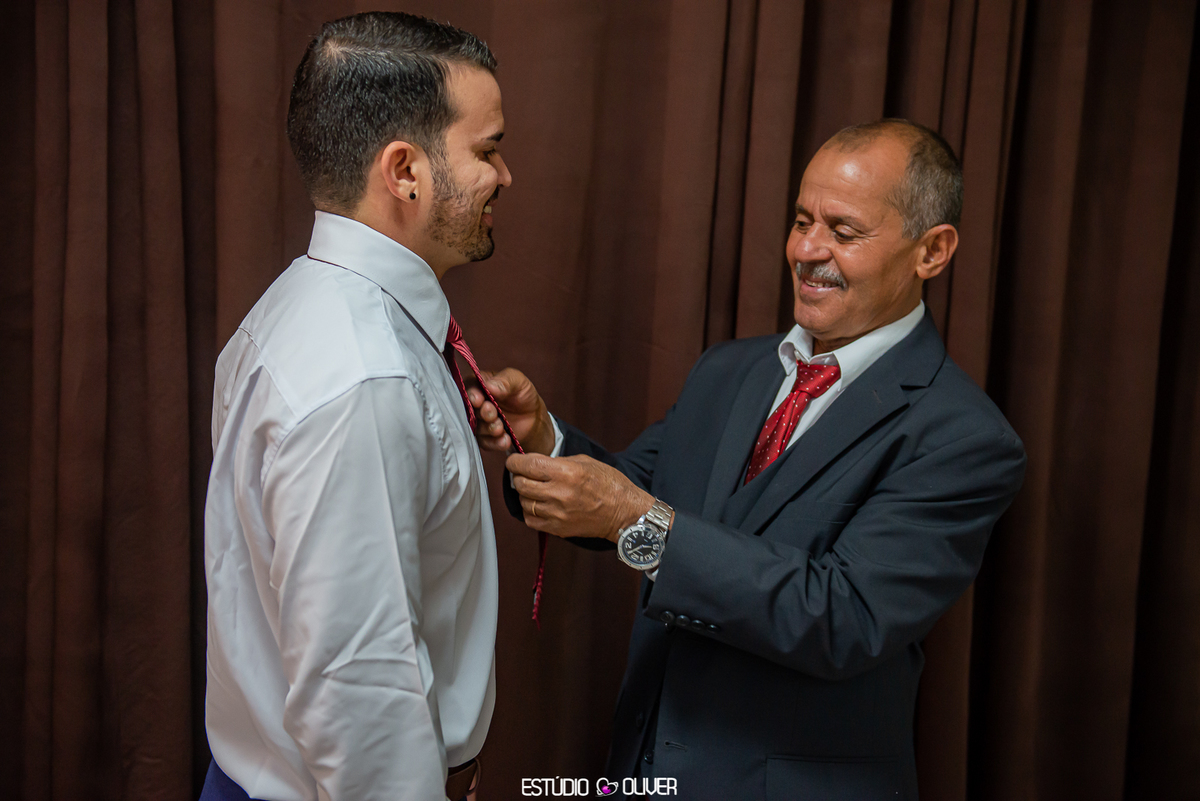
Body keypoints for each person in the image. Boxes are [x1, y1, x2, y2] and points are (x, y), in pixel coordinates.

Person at [473, 120, 1026, 800]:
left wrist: (634, 519)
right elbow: (631, 492)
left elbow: (842, 617)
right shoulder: (727, 370)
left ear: (932, 251)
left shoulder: (964, 437)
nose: (807, 250)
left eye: (843, 231)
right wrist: (544, 439)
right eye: (801, 221)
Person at [202, 12, 512, 801]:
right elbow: (359, 691)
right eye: (488, 151)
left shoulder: (291, 307)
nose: (505, 177)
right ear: (405, 171)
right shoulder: (365, 378)